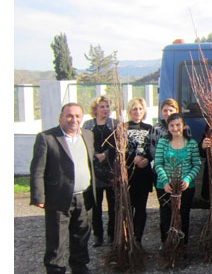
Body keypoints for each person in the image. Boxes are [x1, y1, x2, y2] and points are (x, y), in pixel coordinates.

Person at [30, 103, 96, 274]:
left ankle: (79, 267)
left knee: (81, 236)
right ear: (61, 117)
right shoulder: (47, 138)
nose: (74, 119)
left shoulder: (88, 135)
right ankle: (55, 269)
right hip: (58, 198)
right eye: (69, 116)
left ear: (82, 118)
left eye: (77, 116)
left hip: (84, 196)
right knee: (57, 239)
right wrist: (39, 196)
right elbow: (37, 169)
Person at [153, 113, 202, 246]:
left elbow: (197, 164)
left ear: (184, 126)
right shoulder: (163, 142)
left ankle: (182, 244)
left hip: (185, 187)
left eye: (178, 125)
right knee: (166, 215)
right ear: (168, 127)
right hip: (165, 187)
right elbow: (158, 163)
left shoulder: (191, 143)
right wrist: (165, 181)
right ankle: (166, 243)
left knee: (183, 215)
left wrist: (187, 179)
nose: (175, 128)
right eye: (172, 125)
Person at [82, 96, 118, 247]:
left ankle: (112, 234)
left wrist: (107, 154)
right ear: (95, 109)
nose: (105, 109)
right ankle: (98, 235)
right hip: (94, 170)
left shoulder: (115, 124)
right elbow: (83, 144)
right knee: (96, 206)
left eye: (107, 106)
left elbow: (120, 144)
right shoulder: (88, 125)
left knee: (113, 206)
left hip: (111, 169)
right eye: (102, 106)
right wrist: (95, 154)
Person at [124, 97, 154, 243]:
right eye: (135, 109)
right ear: (130, 111)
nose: (137, 112)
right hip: (128, 173)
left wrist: (147, 159)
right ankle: (127, 237)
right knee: (128, 208)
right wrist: (131, 159)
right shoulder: (123, 128)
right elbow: (117, 151)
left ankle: (138, 239)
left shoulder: (149, 128)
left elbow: (153, 148)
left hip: (144, 173)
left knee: (141, 208)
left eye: (140, 109)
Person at [148, 99, 192, 165]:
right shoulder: (156, 128)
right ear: (161, 112)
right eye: (165, 111)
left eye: (171, 110)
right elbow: (152, 148)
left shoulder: (184, 128)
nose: (168, 113)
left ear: (177, 111)